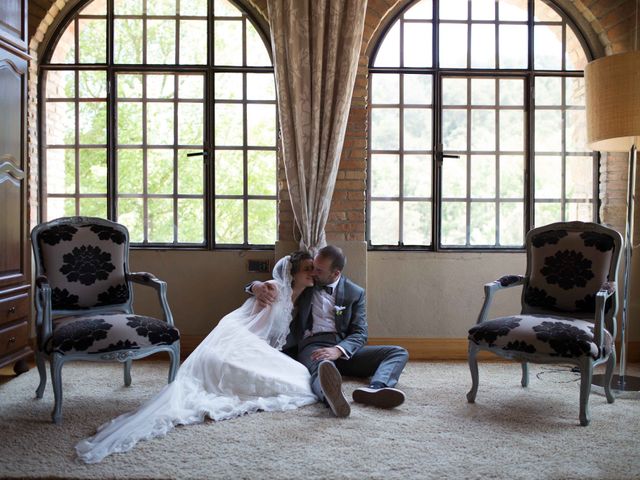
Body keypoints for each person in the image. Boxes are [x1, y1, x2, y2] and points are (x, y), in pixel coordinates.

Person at [75, 252, 318, 464]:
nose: (312, 273)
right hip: (240, 339)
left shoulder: (304, 295)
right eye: (307, 269)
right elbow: (256, 329)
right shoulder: (272, 288)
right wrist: (256, 286)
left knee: (298, 377)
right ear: (293, 272)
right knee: (296, 381)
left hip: (252, 344)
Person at [249, 245, 408, 418]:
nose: (313, 272)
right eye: (313, 268)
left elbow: (360, 332)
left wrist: (338, 350)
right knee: (322, 365)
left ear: (336, 273)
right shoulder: (307, 283)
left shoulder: (355, 293)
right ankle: (331, 397)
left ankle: (377, 388)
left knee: (398, 352)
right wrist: (255, 286)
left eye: (319, 270)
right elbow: (277, 282)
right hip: (313, 344)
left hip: (344, 350)